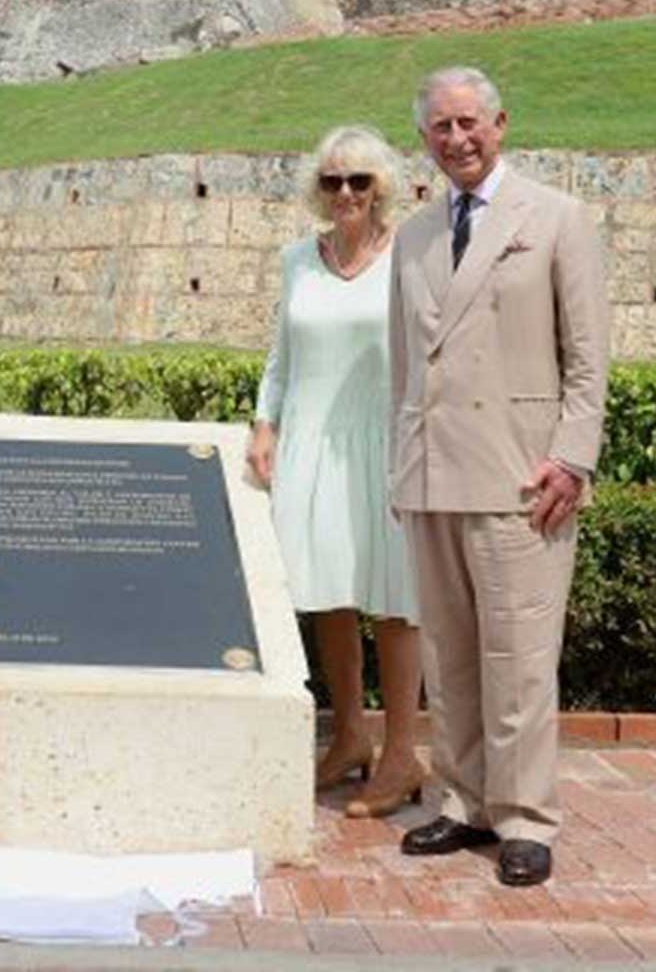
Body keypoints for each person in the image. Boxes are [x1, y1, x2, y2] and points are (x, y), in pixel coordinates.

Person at [387, 66, 608, 888]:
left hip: (523, 473)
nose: (458, 140)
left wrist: (573, 457)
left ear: (501, 124)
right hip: (433, 473)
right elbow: (405, 367)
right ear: (424, 140)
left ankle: (523, 816)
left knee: (518, 657)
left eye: (470, 123)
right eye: (441, 128)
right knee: (447, 655)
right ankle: (460, 800)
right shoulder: (412, 236)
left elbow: (588, 359)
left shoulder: (555, 218)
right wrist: (398, 468)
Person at [248, 125, 424, 818]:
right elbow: (280, 355)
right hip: (314, 440)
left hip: (384, 443)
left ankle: (403, 752)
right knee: (327, 591)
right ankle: (350, 736)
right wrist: (266, 424)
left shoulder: (408, 257)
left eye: (359, 180)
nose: (345, 193)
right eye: (332, 181)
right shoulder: (299, 260)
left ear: (381, 186)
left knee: (396, 599)